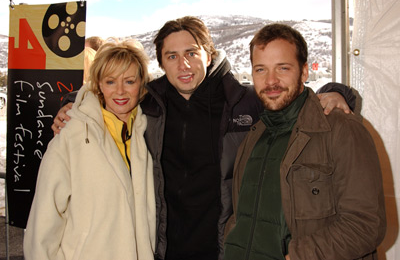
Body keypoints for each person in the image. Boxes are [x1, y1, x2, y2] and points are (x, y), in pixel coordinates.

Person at [51, 16, 355, 260]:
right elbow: (112, 89)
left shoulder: (244, 102)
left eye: (191, 53)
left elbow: (288, 96)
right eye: (172, 56)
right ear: (161, 62)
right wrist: (71, 103)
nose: (183, 65)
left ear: (208, 55)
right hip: (163, 248)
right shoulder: (150, 103)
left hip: (225, 248)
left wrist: (338, 92)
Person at [223, 23, 386, 260]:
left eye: (283, 68)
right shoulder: (254, 135)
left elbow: (366, 225)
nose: (271, 81)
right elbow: (242, 216)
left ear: (305, 71)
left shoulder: (341, 131)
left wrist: (298, 256)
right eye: (260, 69)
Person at [24, 40, 156, 260]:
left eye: (129, 81)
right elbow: (45, 217)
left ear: (142, 83)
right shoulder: (71, 132)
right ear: (99, 84)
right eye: (111, 81)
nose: (120, 91)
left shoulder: (150, 130)